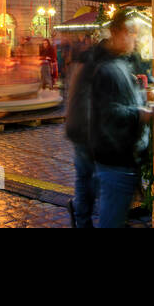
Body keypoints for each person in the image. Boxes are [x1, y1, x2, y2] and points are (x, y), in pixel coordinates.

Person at [85, 9, 154, 228]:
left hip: (122, 158)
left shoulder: (121, 63)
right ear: (116, 33)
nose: (134, 38)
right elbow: (109, 113)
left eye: (135, 33)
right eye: (130, 33)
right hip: (115, 159)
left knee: (115, 216)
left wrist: (144, 96)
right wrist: (141, 113)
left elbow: (122, 99)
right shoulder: (107, 68)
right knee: (111, 220)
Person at [63, 38, 105, 228]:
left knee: (85, 176)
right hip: (86, 129)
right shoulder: (97, 67)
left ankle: (81, 215)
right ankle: (81, 215)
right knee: (94, 176)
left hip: (78, 127)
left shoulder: (85, 63)